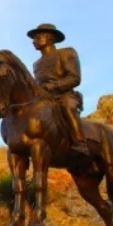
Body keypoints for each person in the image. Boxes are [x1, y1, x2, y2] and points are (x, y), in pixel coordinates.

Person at [27, 23, 89, 156]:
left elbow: (74, 78)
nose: (33, 41)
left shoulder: (66, 53)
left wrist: (54, 86)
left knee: (68, 107)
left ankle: (80, 142)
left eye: (38, 37)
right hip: (44, 97)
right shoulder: (36, 64)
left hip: (64, 95)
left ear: (50, 38)